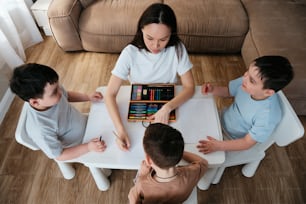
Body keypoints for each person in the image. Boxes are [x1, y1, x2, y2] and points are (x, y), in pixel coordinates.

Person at [105, 3, 195, 151]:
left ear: (171, 34)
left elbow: (190, 87)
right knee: (137, 146)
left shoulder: (177, 49)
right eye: (150, 38)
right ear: (141, 30)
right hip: (139, 104)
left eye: (163, 39)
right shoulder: (129, 53)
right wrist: (120, 130)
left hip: (170, 101)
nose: (156, 45)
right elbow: (109, 94)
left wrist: (168, 108)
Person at [197, 55, 294, 154]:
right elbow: (228, 91)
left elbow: (247, 142)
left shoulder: (268, 116)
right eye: (247, 71)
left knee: (199, 152)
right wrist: (213, 90)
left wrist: (218, 145)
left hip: (232, 140)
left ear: (268, 92)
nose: (244, 77)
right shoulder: (246, 82)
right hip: (221, 118)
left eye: (252, 80)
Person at [10, 63, 107, 161]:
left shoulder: (54, 94)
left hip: (88, 124)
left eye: (58, 86)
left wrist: (87, 97)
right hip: (81, 146)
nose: (60, 91)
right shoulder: (40, 129)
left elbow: (67, 95)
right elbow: (59, 156)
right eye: (55, 92)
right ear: (35, 102)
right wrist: (88, 147)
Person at [128, 123, 208, 203]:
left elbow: (133, 201)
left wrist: (141, 175)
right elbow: (203, 163)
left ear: (148, 160)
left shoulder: (142, 184)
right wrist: (176, 151)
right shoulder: (190, 175)